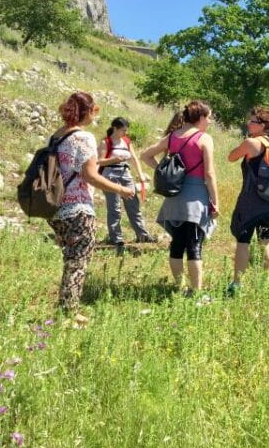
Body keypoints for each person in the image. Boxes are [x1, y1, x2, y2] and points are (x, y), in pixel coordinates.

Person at [48, 92, 135, 311]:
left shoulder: (57, 135)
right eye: (95, 110)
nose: (96, 115)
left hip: (55, 207)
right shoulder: (83, 137)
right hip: (77, 208)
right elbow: (90, 175)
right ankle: (69, 313)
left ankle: (66, 307)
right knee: (78, 262)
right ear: (86, 111)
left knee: (71, 260)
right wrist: (121, 189)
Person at [140, 100, 220, 295]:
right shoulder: (204, 139)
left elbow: (145, 155)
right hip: (195, 198)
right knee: (194, 245)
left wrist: (162, 170)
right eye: (208, 117)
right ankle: (196, 291)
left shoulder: (172, 136)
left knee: (176, 244)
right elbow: (209, 174)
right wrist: (216, 201)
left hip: (174, 198)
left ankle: (179, 286)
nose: (209, 121)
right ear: (200, 117)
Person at [226, 106, 269, 295]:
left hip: (251, 203)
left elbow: (231, 157)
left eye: (252, 121)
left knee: (243, 242)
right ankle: (265, 285)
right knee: (266, 241)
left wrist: (244, 144)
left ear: (263, 125)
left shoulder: (251, 143)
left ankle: (237, 285)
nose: (248, 123)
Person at [98, 117, 156, 250]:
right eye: (123, 130)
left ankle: (142, 235)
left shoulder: (127, 141)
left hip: (126, 174)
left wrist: (140, 174)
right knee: (114, 208)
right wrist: (114, 159)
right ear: (115, 129)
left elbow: (134, 158)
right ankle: (116, 238)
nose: (125, 133)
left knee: (133, 205)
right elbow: (100, 161)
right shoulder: (105, 142)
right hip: (110, 175)